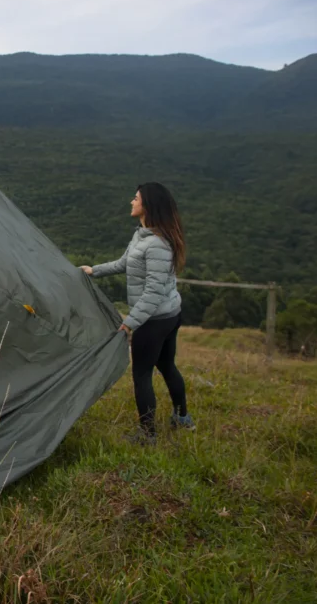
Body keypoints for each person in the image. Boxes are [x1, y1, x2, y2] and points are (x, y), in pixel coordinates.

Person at [80, 183, 196, 444]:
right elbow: (123, 263)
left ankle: (148, 434)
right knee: (167, 365)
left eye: (135, 198)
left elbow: (153, 292)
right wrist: (94, 270)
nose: (131, 202)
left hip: (155, 321)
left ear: (148, 206)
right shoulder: (143, 236)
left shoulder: (156, 245)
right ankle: (182, 418)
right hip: (169, 314)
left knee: (142, 375)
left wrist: (130, 323)